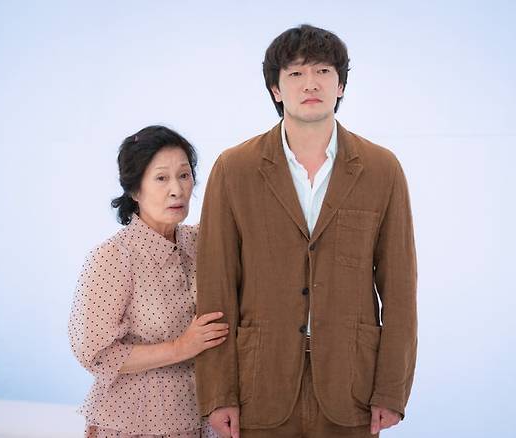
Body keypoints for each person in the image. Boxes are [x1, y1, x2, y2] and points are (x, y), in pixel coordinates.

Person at [195, 24, 418, 437]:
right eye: (296, 73)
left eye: (323, 71)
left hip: (353, 386)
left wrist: (391, 389)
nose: (310, 83)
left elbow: (400, 288)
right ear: (276, 89)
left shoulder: (381, 169)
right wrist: (218, 392)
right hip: (259, 384)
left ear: (341, 85)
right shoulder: (234, 168)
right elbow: (216, 285)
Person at [69, 125, 225, 438]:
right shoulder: (113, 257)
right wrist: (181, 347)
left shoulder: (199, 242)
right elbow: (95, 353)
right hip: (131, 422)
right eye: (161, 178)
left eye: (184, 175)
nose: (177, 190)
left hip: (198, 416)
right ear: (134, 190)